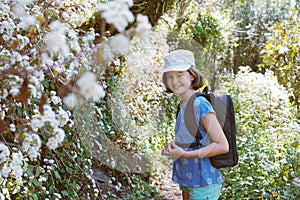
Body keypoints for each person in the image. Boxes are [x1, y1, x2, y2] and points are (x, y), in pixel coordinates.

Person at [161, 49, 229, 200]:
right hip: (187, 177)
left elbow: (222, 145)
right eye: (170, 76)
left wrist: (184, 154)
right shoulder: (183, 104)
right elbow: (195, 140)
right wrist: (174, 148)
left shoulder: (200, 104)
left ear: (192, 76)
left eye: (180, 75)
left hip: (204, 181)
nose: (174, 81)